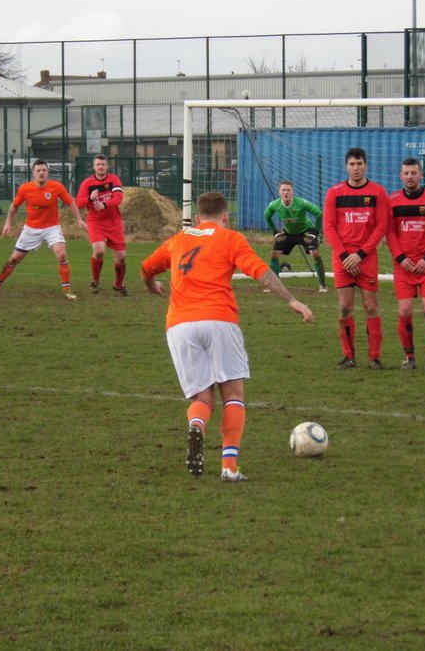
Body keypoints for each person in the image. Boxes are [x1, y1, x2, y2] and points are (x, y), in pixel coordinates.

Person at [141, 191, 313, 482]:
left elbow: (146, 267)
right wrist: (291, 300)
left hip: (180, 325)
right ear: (225, 216)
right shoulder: (231, 238)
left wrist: (151, 284)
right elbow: (262, 273)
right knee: (232, 394)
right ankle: (229, 467)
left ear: (197, 217)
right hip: (219, 319)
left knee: (202, 396)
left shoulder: (178, 239)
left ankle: (197, 423)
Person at [0, 159, 87, 300]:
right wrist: (8, 223)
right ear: (33, 173)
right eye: (38, 170)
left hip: (52, 228)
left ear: (47, 172)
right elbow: (14, 206)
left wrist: (79, 220)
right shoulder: (25, 188)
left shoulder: (57, 187)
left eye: (44, 170)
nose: (41, 173)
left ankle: (67, 290)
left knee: (61, 255)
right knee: (14, 259)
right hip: (31, 229)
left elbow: (70, 203)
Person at [323, 147, 389, 370]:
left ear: (366, 165)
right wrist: (344, 256)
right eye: (352, 164)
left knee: (371, 307)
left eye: (359, 164)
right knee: (344, 307)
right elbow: (329, 227)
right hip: (342, 260)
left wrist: (359, 255)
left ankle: (374, 358)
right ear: (346, 166)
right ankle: (349, 357)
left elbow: (381, 227)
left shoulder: (378, 192)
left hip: (366, 258)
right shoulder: (335, 193)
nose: (356, 168)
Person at [387, 157, 425, 370]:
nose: (410, 176)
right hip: (404, 266)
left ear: (421, 175)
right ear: (400, 175)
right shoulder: (392, 200)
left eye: (414, 173)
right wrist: (401, 259)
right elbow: (390, 233)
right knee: (404, 311)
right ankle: (409, 357)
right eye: (406, 173)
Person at [76, 154, 129, 295]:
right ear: (93, 167)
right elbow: (79, 203)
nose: (100, 167)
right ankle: (95, 281)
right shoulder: (87, 183)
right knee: (99, 250)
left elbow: (118, 198)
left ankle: (118, 284)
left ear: (107, 166)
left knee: (122, 257)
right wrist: (90, 198)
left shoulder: (114, 179)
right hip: (95, 221)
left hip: (114, 221)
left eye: (103, 164)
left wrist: (105, 204)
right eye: (98, 164)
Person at [263, 179, 328, 293]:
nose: (286, 192)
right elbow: (267, 215)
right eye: (283, 190)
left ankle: (322, 285)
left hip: (305, 231)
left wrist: (315, 232)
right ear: (279, 192)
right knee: (274, 255)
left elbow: (319, 213)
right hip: (288, 233)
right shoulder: (275, 205)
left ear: (292, 192)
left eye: (288, 190)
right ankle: (274, 284)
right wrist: (275, 232)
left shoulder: (301, 203)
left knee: (315, 254)